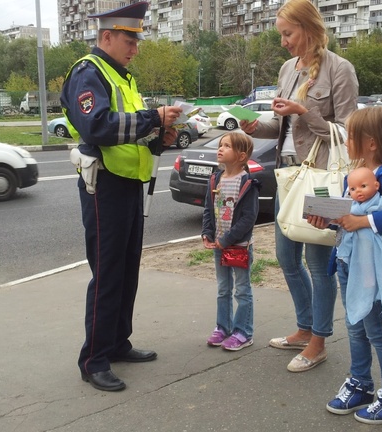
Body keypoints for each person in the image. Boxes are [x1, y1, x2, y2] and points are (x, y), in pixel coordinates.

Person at [59, 0, 184, 393]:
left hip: (130, 184)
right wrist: (154, 117)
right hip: (105, 187)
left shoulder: (123, 78)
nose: (135, 48)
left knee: (127, 270)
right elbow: (97, 126)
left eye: (137, 41)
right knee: (108, 273)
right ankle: (93, 359)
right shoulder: (88, 72)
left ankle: (117, 343)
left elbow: (131, 134)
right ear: (107, 36)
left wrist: (159, 138)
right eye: (129, 40)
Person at [239, 0, 360, 373]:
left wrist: (303, 111)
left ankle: (319, 340)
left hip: (323, 180)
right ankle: (305, 328)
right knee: (287, 258)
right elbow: (285, 128)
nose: (283, 43)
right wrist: (255, 127)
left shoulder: (341, 70)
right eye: (281, 35)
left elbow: (348, 133)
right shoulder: (288, 69)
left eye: (287, 34)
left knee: (318, 261)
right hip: (289, 175)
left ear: (308, 30)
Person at [309, 105, 382, 424]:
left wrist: (363, 221)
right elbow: (349, 219)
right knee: (355, 326)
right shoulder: (355, 175)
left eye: (351, 136)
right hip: (348, 261)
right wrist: (328, 220)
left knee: (376, 329)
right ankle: (361, 384)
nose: (345, 141)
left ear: (371, 143)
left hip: (372, 267)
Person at [201, 131, 261, 352]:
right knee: (223, 289)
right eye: (220, 145)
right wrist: (207, 233)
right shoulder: (215, 179)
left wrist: (227, 239)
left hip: (238, 246)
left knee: (242, 290)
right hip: (219, 245)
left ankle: (243, 332)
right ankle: (222, 327)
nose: (220, 149)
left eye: (227, 146)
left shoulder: (248, 183)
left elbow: (248, 219)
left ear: (241, 156)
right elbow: (208, 209)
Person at [338, 166, 382, 286]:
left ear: (376, 186)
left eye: (363, 186)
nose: (358, 191)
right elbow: (342, 220)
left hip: (381, 236)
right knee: (364, 261)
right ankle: (368, 280)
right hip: (361, 242)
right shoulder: (351, 205)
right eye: (353, 189)